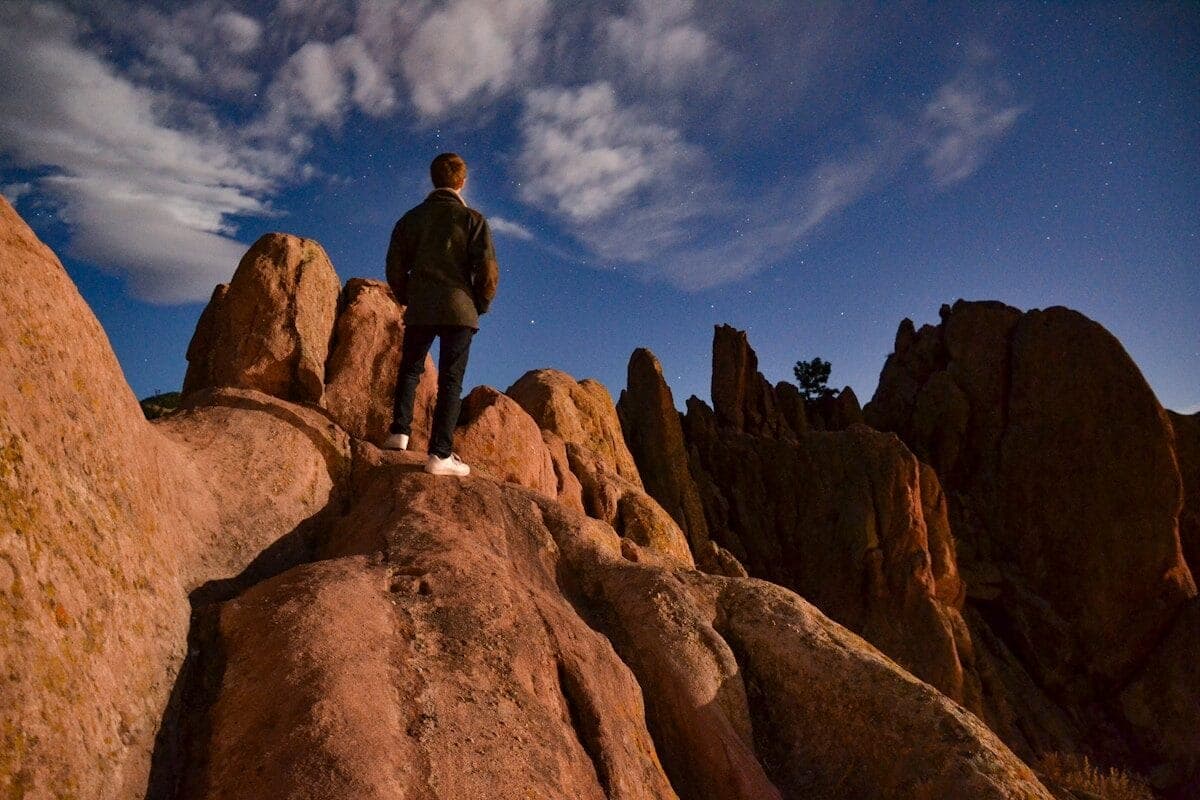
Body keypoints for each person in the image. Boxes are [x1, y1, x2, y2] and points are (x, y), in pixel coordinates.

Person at [383, 153, 499, 477]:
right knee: (451, 381)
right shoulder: (473, 220)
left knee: (410, 368)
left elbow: (394, 266)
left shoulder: (409, 220)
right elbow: (488, 272)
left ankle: (399, 433)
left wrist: (408, 296)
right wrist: (480, 304)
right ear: (462, 182)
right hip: (460, 308)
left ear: (433, 179)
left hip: (421, 305)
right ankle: (440, 455)